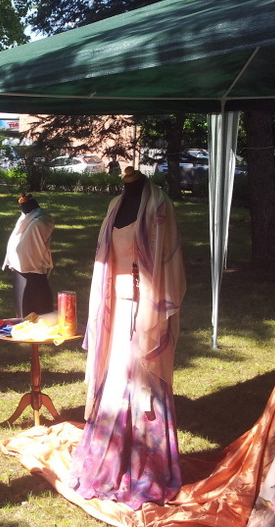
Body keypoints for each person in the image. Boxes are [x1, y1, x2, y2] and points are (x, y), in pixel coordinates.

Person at [67, 166, 186, 509]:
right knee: (115, 378)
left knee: (142, 382)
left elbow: (169, 266)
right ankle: (111, 459)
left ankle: (147, 467)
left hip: (146, 311)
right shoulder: (114, 206)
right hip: (115, 311)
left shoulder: (159, 207)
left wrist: (152, 311)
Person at [1, 193, 55, 318]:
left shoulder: (43, 221)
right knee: (22, 317)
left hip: (36, 275)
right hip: (20, 274)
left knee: (40, 318)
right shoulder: (24, 219)